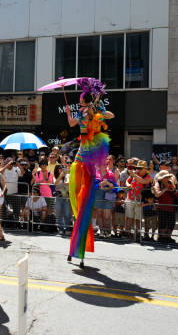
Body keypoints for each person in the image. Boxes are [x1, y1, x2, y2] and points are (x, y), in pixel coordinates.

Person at [65, 78, 114, 265]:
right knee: (80, 206)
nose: (79, 102)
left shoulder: (90, 112)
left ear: (86, 101)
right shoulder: (85, 112)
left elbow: (111, 115)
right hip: (82, 161)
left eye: (81, 100)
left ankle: (77, 249)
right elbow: (72, 123)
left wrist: (99, 110)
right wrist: (73, 113)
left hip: (87, 162)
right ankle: (77, 248)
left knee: (83, 207)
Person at [125, 160, 152, 242]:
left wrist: (134, 175)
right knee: (129, 217)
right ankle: (128, 233)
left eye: (140, 168)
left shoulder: (148, 176)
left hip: (140, 200)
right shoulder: (134, 174)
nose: (138, 170)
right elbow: (127, 180)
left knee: (138, 218)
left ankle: (138, 233)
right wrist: (128, 184)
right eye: (137, 168)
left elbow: (144, 181)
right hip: (130, 198)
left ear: (145, 169)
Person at [153, 170, 177, 244]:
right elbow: (157, 194)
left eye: (168, 177)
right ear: (162, 178)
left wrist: (172, 186)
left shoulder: (170, 183)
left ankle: (168, 237)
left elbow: (174, 191)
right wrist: (165, 189)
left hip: (171, 206)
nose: (168, 178)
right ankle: (162, 237)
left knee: (171, 222)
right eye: (166, 177)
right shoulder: (158, 184)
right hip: (162, 206)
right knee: (162, 222)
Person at [95, 166, 117, 238]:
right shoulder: (96, 173)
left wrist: (108, 183)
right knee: (99, 214)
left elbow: (115, 186)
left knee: (107, 216)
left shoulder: (111, 174)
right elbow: (92, 185)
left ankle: (107, 231)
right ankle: (101, 231)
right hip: (98, 195)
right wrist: (99, 184)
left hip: (108, 195)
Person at [54, 163, 71, 235]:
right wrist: (60, 177)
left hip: (66, 197)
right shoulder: (55, 176)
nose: (61, 169)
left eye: (63, 168)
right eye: (60, 168)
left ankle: (67, 228)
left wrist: (61, 185)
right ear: (57, 170)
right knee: (59, 214)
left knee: (67, 214)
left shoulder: (68, 175)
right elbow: (55, 184)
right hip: (58, 197)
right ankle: (61, 228)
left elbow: (69, 184)